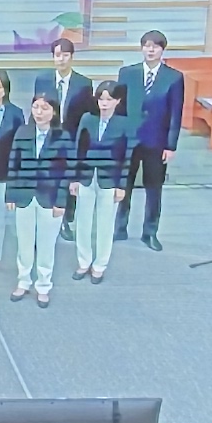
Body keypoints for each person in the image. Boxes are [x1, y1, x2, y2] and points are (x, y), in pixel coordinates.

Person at [0, 84, 71, 307]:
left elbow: (66, 171)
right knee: (25, 242)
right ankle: (24, 281)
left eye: (45, 108)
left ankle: (43, 285)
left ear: (54, 111)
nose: (39, 112)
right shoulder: (23, 132)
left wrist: (61, 201)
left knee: (47, 244)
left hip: (50, 198)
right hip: (25, 196)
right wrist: (11, 193)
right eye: (36, 107)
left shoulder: (62, 136)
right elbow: (14, 164)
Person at [116, 29, 186, 245]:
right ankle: (120, 228)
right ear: (141, 48)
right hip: (129, 141)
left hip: (156, 143)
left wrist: (170, 145)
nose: (150, 50)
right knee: (123, 186)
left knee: (154, 188)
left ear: (162, 50)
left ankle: (150, 232)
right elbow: (120, 109)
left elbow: (176, 113)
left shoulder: (174, 78)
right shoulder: (127, 73)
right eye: (147, 45)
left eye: (155, 46)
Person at [72, 77, 134, 280]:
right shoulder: (87, 119)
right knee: (83, 222)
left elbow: (127, 157)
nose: (104, 103)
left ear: (117, 101)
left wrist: (122, 185)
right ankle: (83, 261)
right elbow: (77, 150)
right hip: (86, 177)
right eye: (101, 99)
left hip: (110, 180)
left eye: (108, 99)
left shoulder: (124, 124)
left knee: (105, 224)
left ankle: (100, 264)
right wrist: (74, 178)